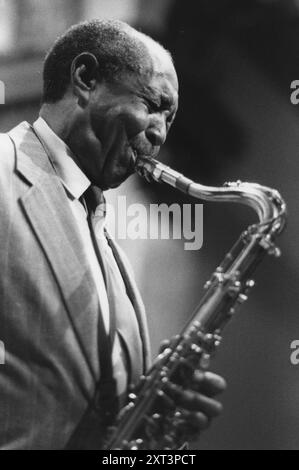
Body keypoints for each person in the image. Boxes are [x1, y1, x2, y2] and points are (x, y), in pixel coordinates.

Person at [0, 19, 226, 450]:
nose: (160, 133)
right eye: (154, 104)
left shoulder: (100, 230)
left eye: (169, 118)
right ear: (85, 79)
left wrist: (152, 419)